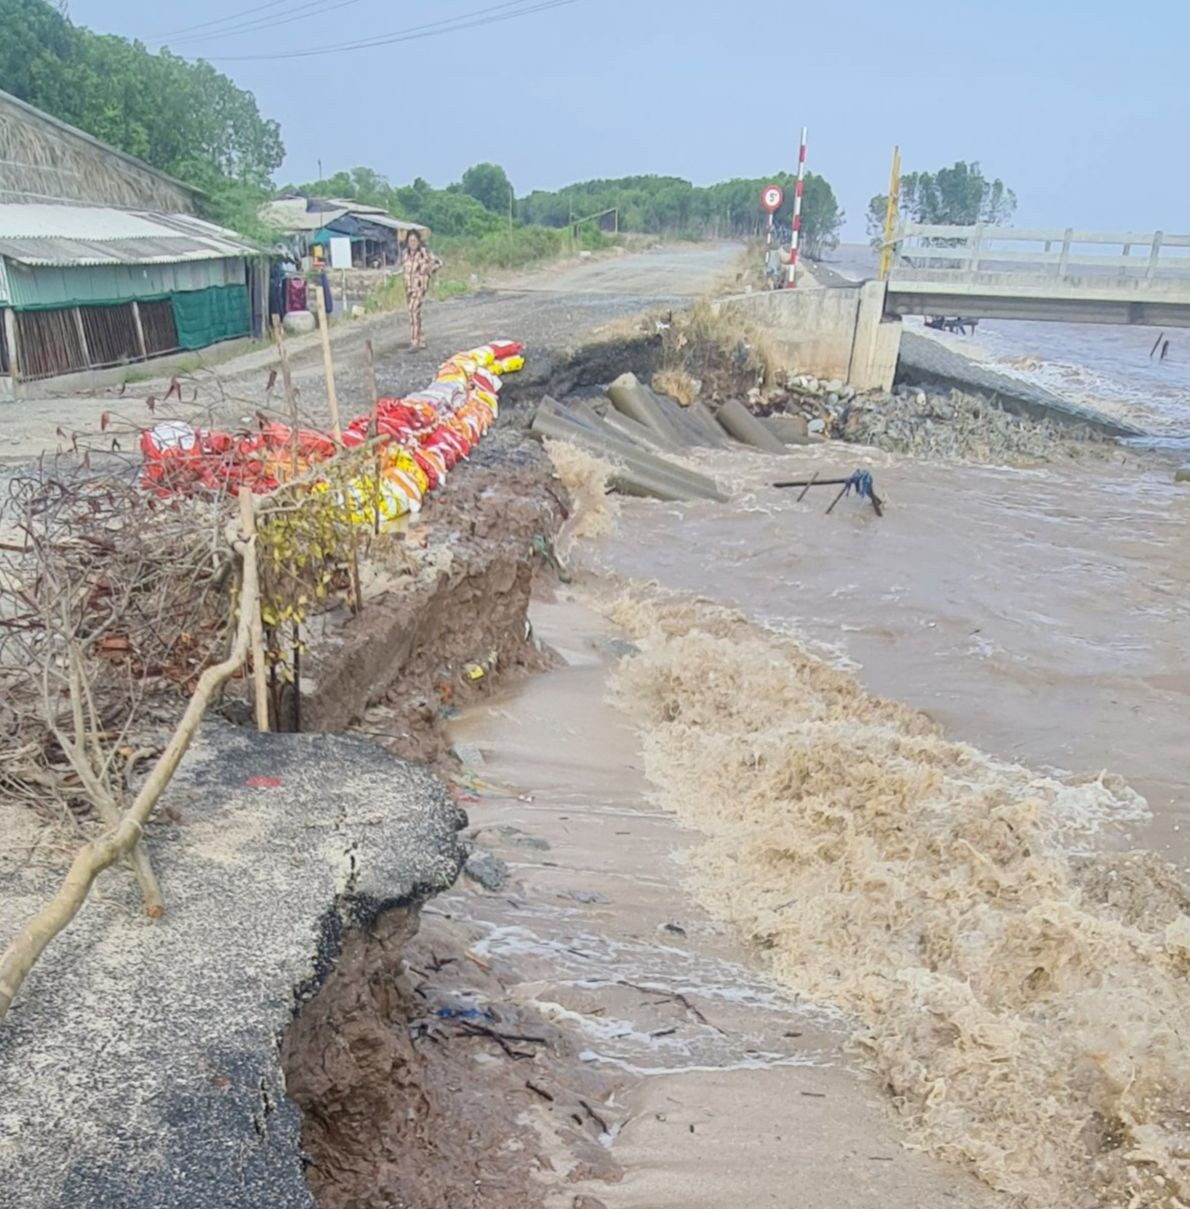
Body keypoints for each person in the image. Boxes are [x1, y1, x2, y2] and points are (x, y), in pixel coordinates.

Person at [401, 230, 441, 350]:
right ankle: (421, 338)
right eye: (410, 241)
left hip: (419, 287)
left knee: (412, 311)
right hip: (409, 288)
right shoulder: (405, 255)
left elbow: (438, 263)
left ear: (418, 242)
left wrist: (427, 271)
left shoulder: (424, 254)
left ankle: (414, 341)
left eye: (414, 240)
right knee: (415, 313)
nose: (412, 243)